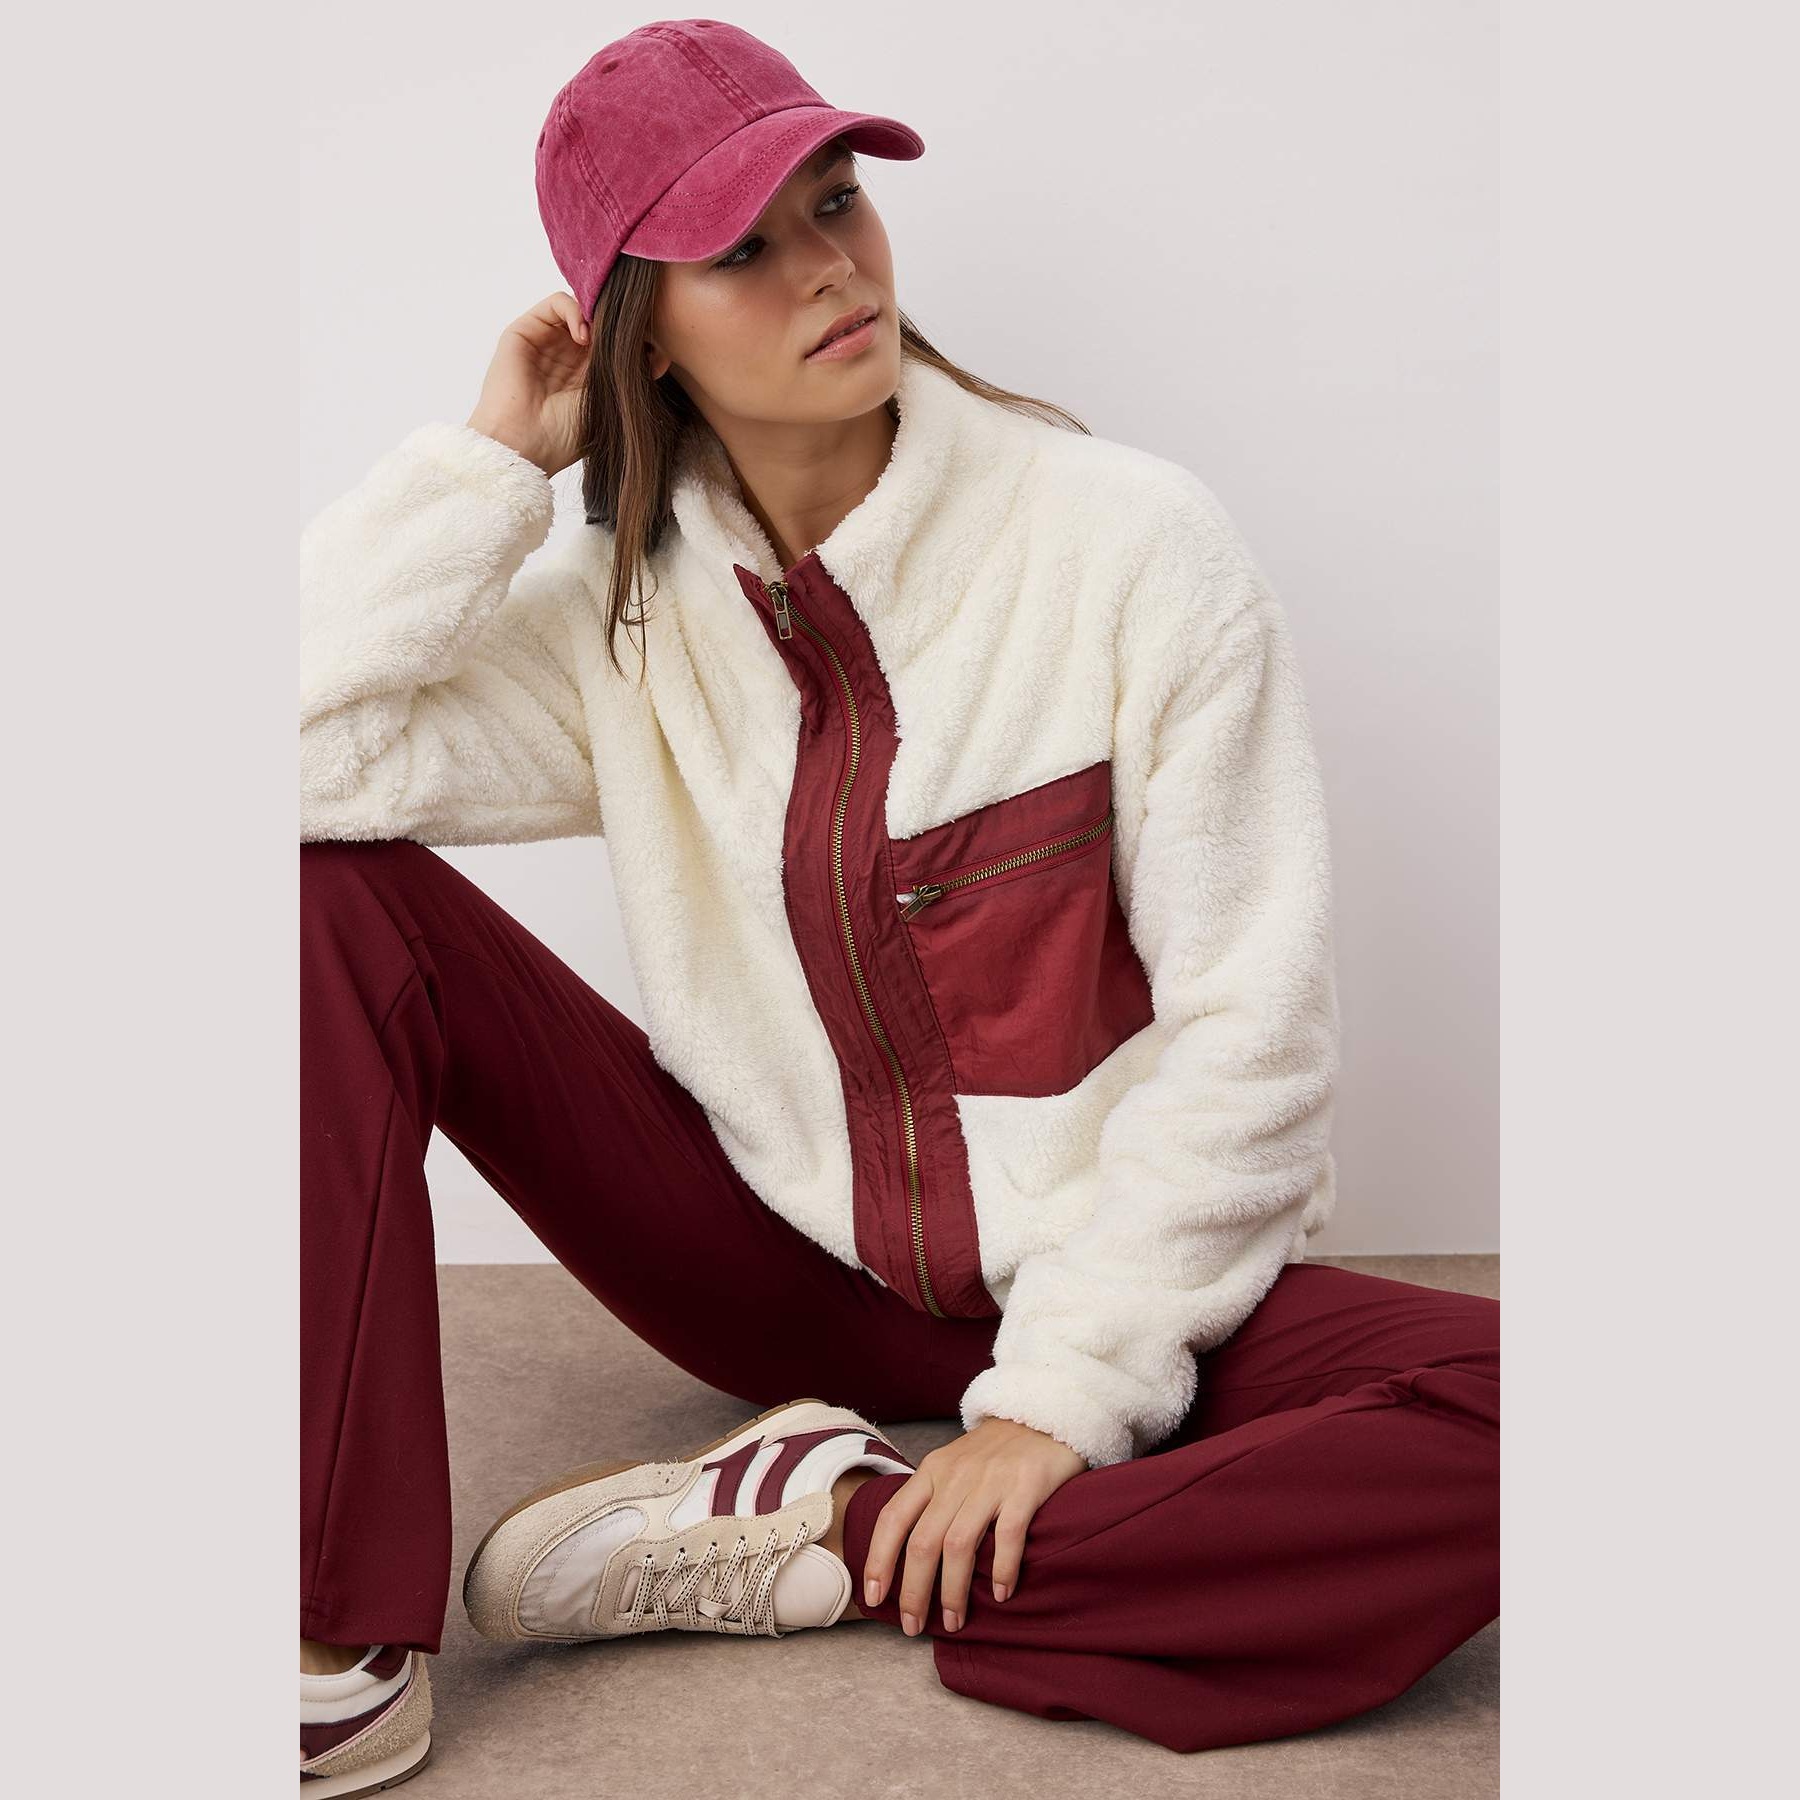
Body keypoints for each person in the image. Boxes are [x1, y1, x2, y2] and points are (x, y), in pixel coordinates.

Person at [299, 18, 1499, 1794]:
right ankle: (331, 1631)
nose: (830, 266)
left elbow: (1251, 1030)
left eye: (837, 200)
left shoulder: (1127, 548)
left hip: (1093, 1270)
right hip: (762, 1255)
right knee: (316, 898)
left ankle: (836, 1532)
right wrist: (490, 464)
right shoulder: (620, 616)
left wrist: (1058, 1401)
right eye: (741, 246)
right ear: (637, 328)